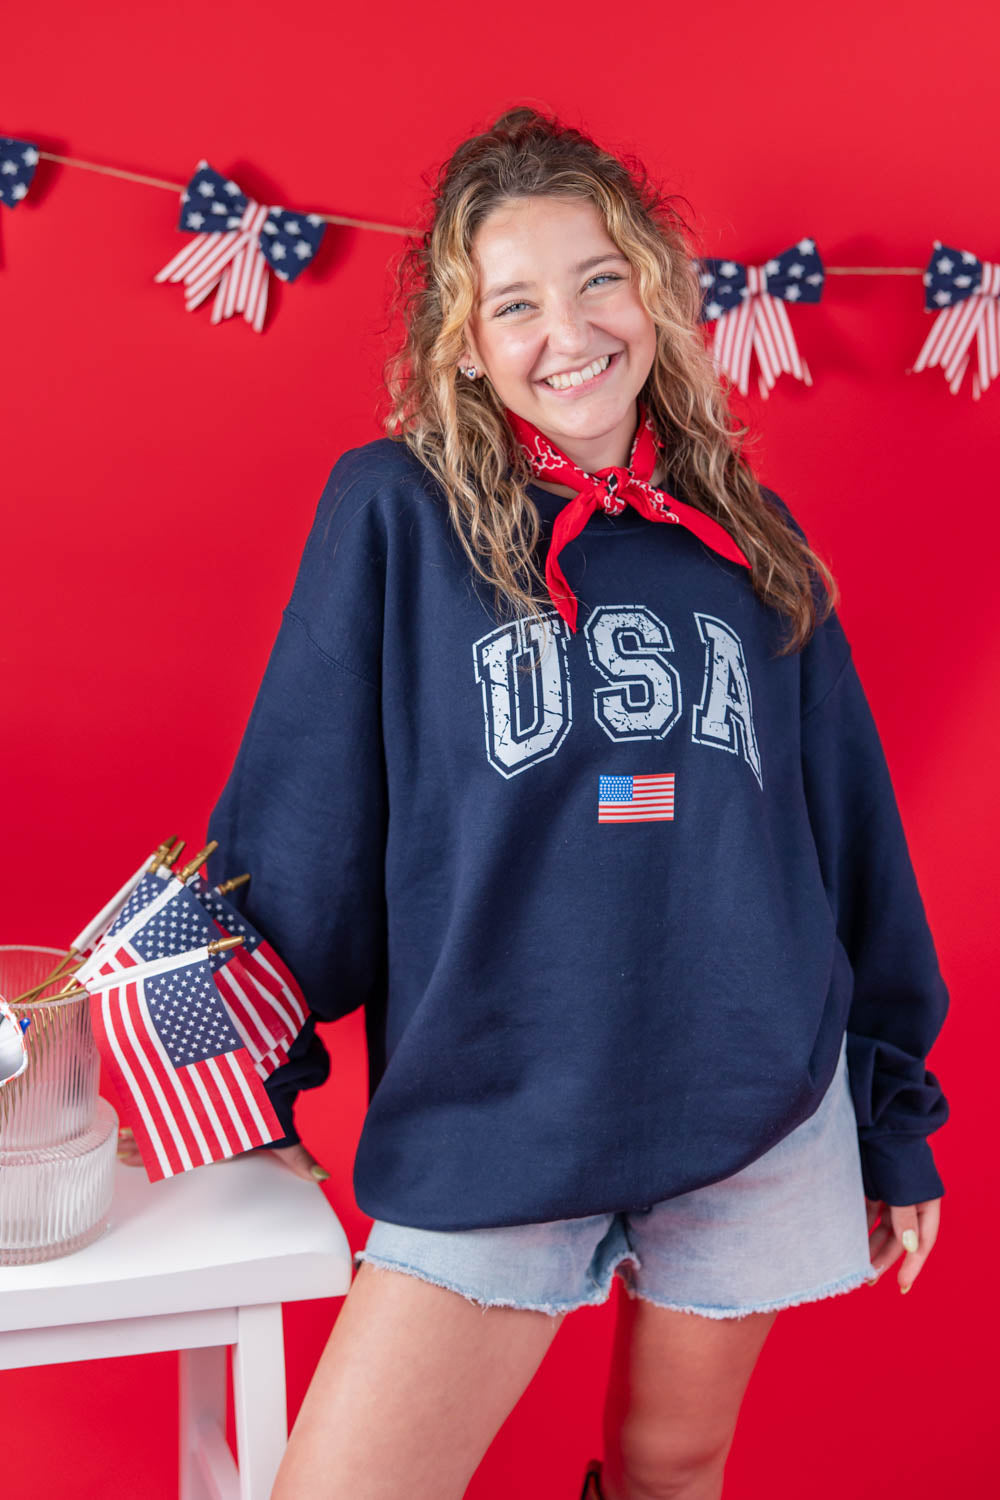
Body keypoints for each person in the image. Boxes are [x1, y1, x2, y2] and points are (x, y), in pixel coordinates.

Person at [119, 108, 950, 1500]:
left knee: (673, 1469)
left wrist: (894, 1115)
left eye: (599, 279)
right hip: (499, 1099)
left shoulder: (753, 541)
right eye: (516, 302)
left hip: (751, 1094)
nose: (569, 331)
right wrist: (245, 1074)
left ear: (654, 293)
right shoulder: (397, 509)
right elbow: (305, 818)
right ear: (463, 341)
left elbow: (845, 833)